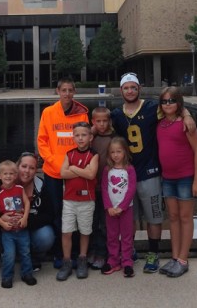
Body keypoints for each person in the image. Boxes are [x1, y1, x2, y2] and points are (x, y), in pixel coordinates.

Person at [110, 72, 196, 273]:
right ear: (121, 90)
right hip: (127, 173)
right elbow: (99, 125)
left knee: (154, 217)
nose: (130, 91)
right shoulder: (115, 114)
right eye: (126, 88)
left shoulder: (151, 108)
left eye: (133, 87)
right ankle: (128, 250)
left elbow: (173, 108)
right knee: (128, 217)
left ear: (139, 88)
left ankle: (153, 253)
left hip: (150, 171)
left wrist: (187, 114)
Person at [0, 152, 55, 272]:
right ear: (17, 167)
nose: (27, 171)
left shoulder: (41, 186)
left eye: (32, 168)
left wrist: (25, 221)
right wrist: (1, 220)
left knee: (46, 236)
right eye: (24, 166)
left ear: (36, 171)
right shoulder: (1, 184)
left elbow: (49, 215)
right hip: (2, 226)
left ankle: (33, 257)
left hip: (28, 227)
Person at [37, 76, 89, 266]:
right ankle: (59, 253)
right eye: (63, 90)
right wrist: (55, 162)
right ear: (58, 92)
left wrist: (78, 166)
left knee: (75, 212)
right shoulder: (49, 112)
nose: (67, 94)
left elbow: (85, 140)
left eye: (70, 90)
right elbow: (42, 141)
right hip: (54, 172)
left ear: (74, 92)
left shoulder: (81, 113)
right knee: (57, 212)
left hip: (75, 172)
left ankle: (75, 252)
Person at [157, 87, 197, 278]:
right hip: (167, 177)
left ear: (179, 103)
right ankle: (175, 257)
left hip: (186, 177)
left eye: (172, 101)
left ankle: (183, 259)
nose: (168, 104)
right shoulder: (160, 124)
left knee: (185, 218)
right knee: (173, 218)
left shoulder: (186, 124)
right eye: (165, 101)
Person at [56, 122, 98, 281]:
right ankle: (66, 261)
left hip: (86, 200)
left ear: (90, 137)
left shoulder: (93, 155)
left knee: (85, 231)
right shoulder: (69, 154)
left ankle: (82, 259)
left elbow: (91, 174)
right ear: (73, 137)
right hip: (69, 200)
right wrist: (81, 171)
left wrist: (73, 169)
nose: (80, 138)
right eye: (77, 135)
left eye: (84, 135)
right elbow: (62, 173)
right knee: (66, 231)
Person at [0, 160, 37, 289]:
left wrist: (25, 217)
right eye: (5, 174)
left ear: (16, 176)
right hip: (8, 231)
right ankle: (7, 277)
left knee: (25, 252)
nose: (8, 176)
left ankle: (27, 274)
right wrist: (2, 223)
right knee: (9, 254)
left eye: (11, 173)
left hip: (22, 229)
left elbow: (27, 203)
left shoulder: (19, 189)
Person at [101, 137, 137, 277]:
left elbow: (131, 189)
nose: (116, 155)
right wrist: (109, 207)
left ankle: (127, 261)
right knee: (112, 236)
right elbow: (104, 188)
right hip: (111, 210)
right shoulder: (107, 170)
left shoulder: (129, 169)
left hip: (125, 209)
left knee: (127, 236)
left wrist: (122, 207)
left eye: (119, 151)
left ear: (125, 152)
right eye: (112, 152)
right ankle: (113, 260)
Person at [89, 106, 114, 270]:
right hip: (91, 186)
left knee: (105, 223)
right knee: (92, 221)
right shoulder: (90, 138)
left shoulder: (114, 138)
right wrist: (91, 133)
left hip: (108, 188)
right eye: (98, 121)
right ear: (93, 122)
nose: (102, 124)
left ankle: (103, 253)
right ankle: (92, 250)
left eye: (105, 121)